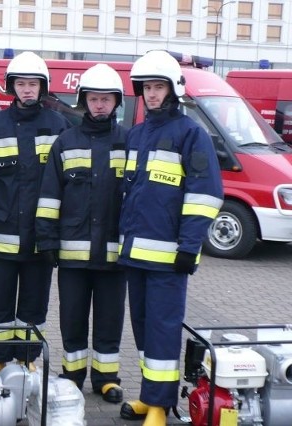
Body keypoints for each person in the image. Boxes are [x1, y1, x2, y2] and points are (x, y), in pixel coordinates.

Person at [117, 50, 223, 425]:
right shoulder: (137, 134)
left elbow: (205, 195)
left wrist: (189, 247)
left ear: (173, 90)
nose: (152, 94)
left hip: (168, 259)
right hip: (135, 255)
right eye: (147, 87)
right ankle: (150, 394)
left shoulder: (191, 134)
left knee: (163, 332)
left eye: (158, 87)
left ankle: (161, 406)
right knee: (143, 329)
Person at [0, 51, 71, 373]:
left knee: (33, 301)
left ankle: (27, 358)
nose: (27, 89)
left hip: (40, 236)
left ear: (42, 88)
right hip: (1, 234)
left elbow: (65, 184)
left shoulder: (59, 126)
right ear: (10, 87)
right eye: (21, 83)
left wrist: (56, 233)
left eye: (33, 84)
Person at [35, 64, 127, 402]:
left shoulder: (128, 142)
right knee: (72, 317)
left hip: (114, 254)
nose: (99, 105)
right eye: (94, 99)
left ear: (116, 103)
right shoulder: (66, 142)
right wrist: (46, 238)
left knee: (109, 319)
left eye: (106, 99)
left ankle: (107, 377)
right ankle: (72, 374)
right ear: (83, 101)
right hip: (72, 253)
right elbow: (49, 196)